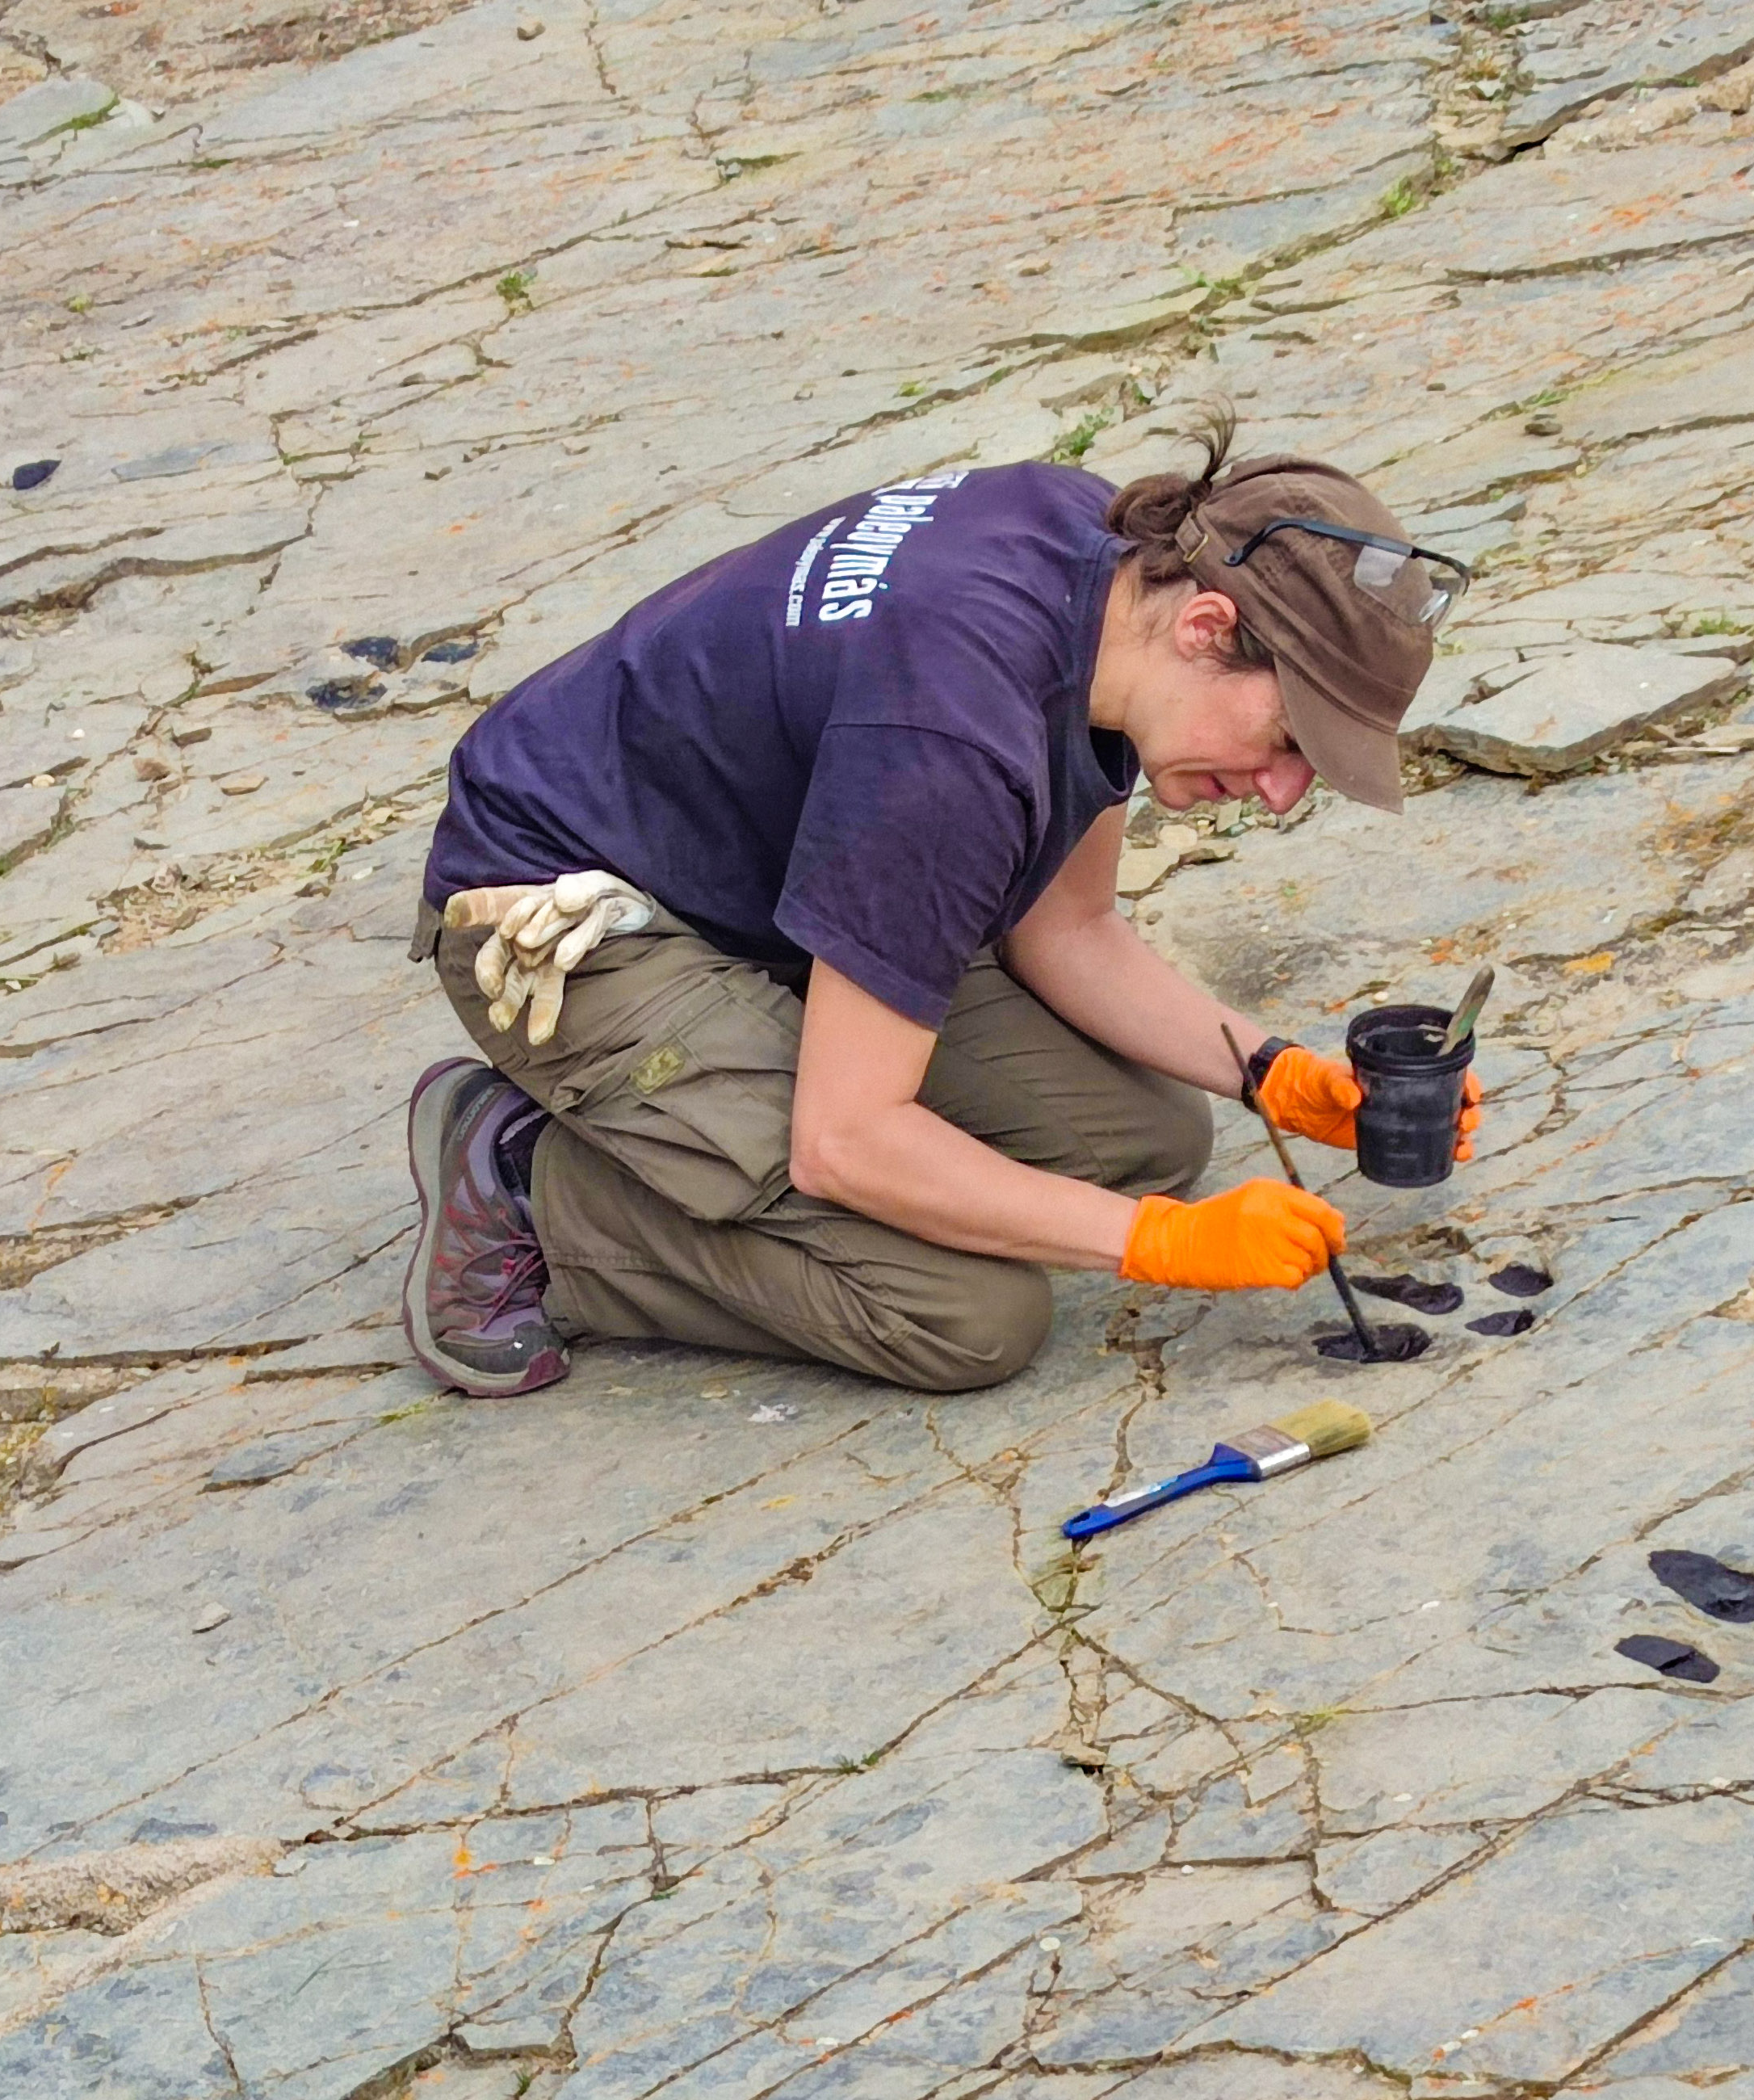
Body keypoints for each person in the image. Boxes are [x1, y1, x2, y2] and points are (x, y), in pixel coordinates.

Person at [399, 430, 1483, 1396]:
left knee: (1137, 1137)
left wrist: (1275, 1073)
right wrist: (1161, 1243)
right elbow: (846, 1142)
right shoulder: (946, 750)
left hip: (782, 883)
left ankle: (743, 1113)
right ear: (1207, 626)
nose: (1286, 791)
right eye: (1293, 739)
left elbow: (1067, 933)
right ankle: (532, 1182)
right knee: (962, 1313)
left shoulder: (1102, 575)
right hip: (569, 917)